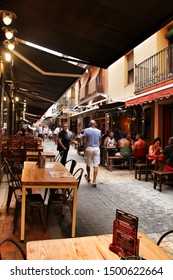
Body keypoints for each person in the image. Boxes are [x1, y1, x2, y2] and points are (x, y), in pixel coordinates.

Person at [83, 120, 101, 187]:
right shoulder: (99, 131)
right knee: (96, 165)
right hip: (96, 148)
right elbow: (100, 141)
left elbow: (84, 141)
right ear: (95, 124)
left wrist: (84, 149)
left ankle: (88, 177)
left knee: (88, 164)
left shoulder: (86, 130)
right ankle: (94, 181)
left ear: (89, 124)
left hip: (89, 148)